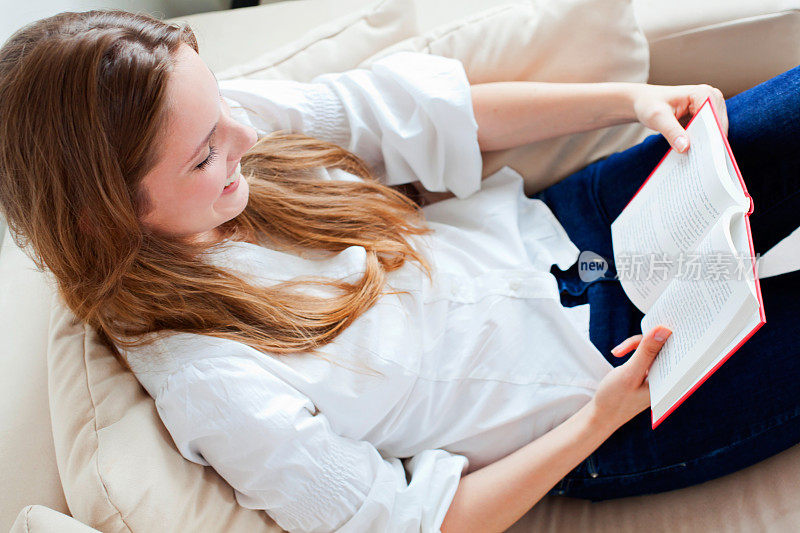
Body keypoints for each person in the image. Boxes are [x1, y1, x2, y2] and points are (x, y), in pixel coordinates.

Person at [0, 9, 797, 533]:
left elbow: (426, 113)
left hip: (581, 225)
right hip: (608, 394)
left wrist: (632, 100)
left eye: (223, 110)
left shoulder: (216, 122)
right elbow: (412, 523)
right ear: (107, 217)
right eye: (207, 152)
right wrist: (598, 419)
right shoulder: (213, 382)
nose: (246, 130)